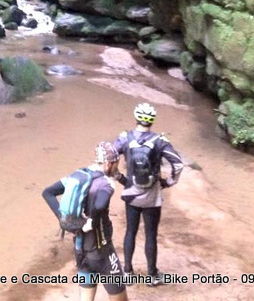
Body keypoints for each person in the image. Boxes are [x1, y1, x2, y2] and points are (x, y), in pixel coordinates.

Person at [42, 142, 129, 301]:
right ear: (108, 163)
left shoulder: (77, 176)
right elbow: (100, 204)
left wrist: (63, 219)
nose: (117, 166)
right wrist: (91, 222)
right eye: (116, 163)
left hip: (81, 252)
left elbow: (47, 193)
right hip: (103, 254)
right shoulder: (105, 184)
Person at [113, 102, 183, 286]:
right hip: (152, 197)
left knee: (130, 232)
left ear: (136, 118)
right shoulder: (160, 141)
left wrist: (120, 177)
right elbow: (178, 164)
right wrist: (168, 182)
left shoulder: (125, 138)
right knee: (151, 235)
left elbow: (110, 156)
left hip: (131, 194)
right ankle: (152, 276)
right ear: (152, 121)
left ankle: (128, 273)